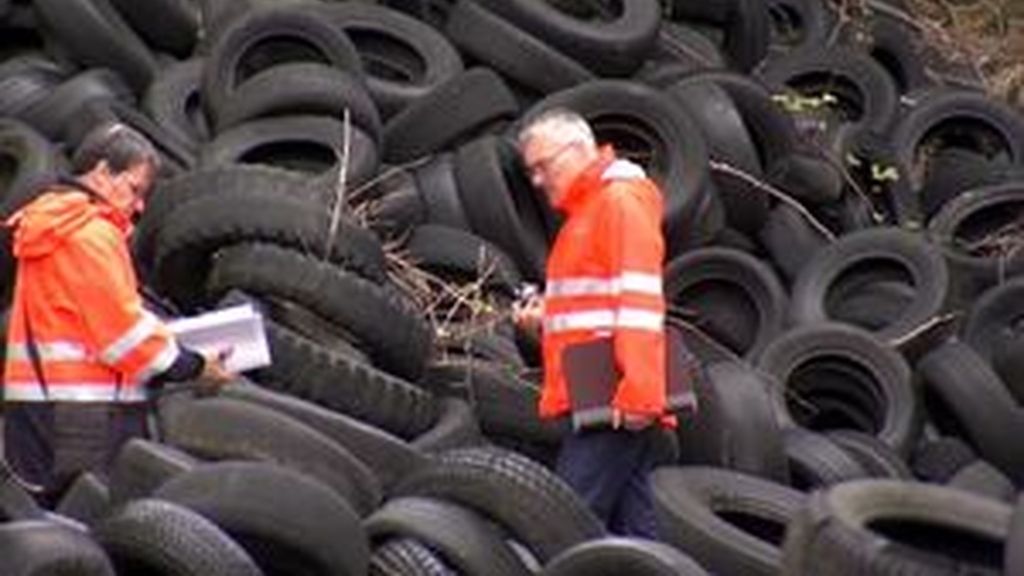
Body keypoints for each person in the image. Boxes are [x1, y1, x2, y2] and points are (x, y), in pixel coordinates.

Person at [2, 122, 233, 507]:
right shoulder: (90, 235)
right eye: (135, 189)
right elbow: (121, 334)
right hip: (83, 416)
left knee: (47, 526)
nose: (140, 206)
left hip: (40, 407)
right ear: (103, 173)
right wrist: (193, 365)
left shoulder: (49, 226)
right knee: (90, 527)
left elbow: (91, 319)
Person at [514, 108, 671, 539]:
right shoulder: (588, 214)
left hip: (614, 394)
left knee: (561, 525)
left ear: (580, 149)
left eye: (544, 166)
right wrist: (543, 324)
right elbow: (594, 309)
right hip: (599, 388)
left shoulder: (619, 202)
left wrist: (639, 394)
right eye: (531, 172)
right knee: (634, 532)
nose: (538, 180)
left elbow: (640, 300)